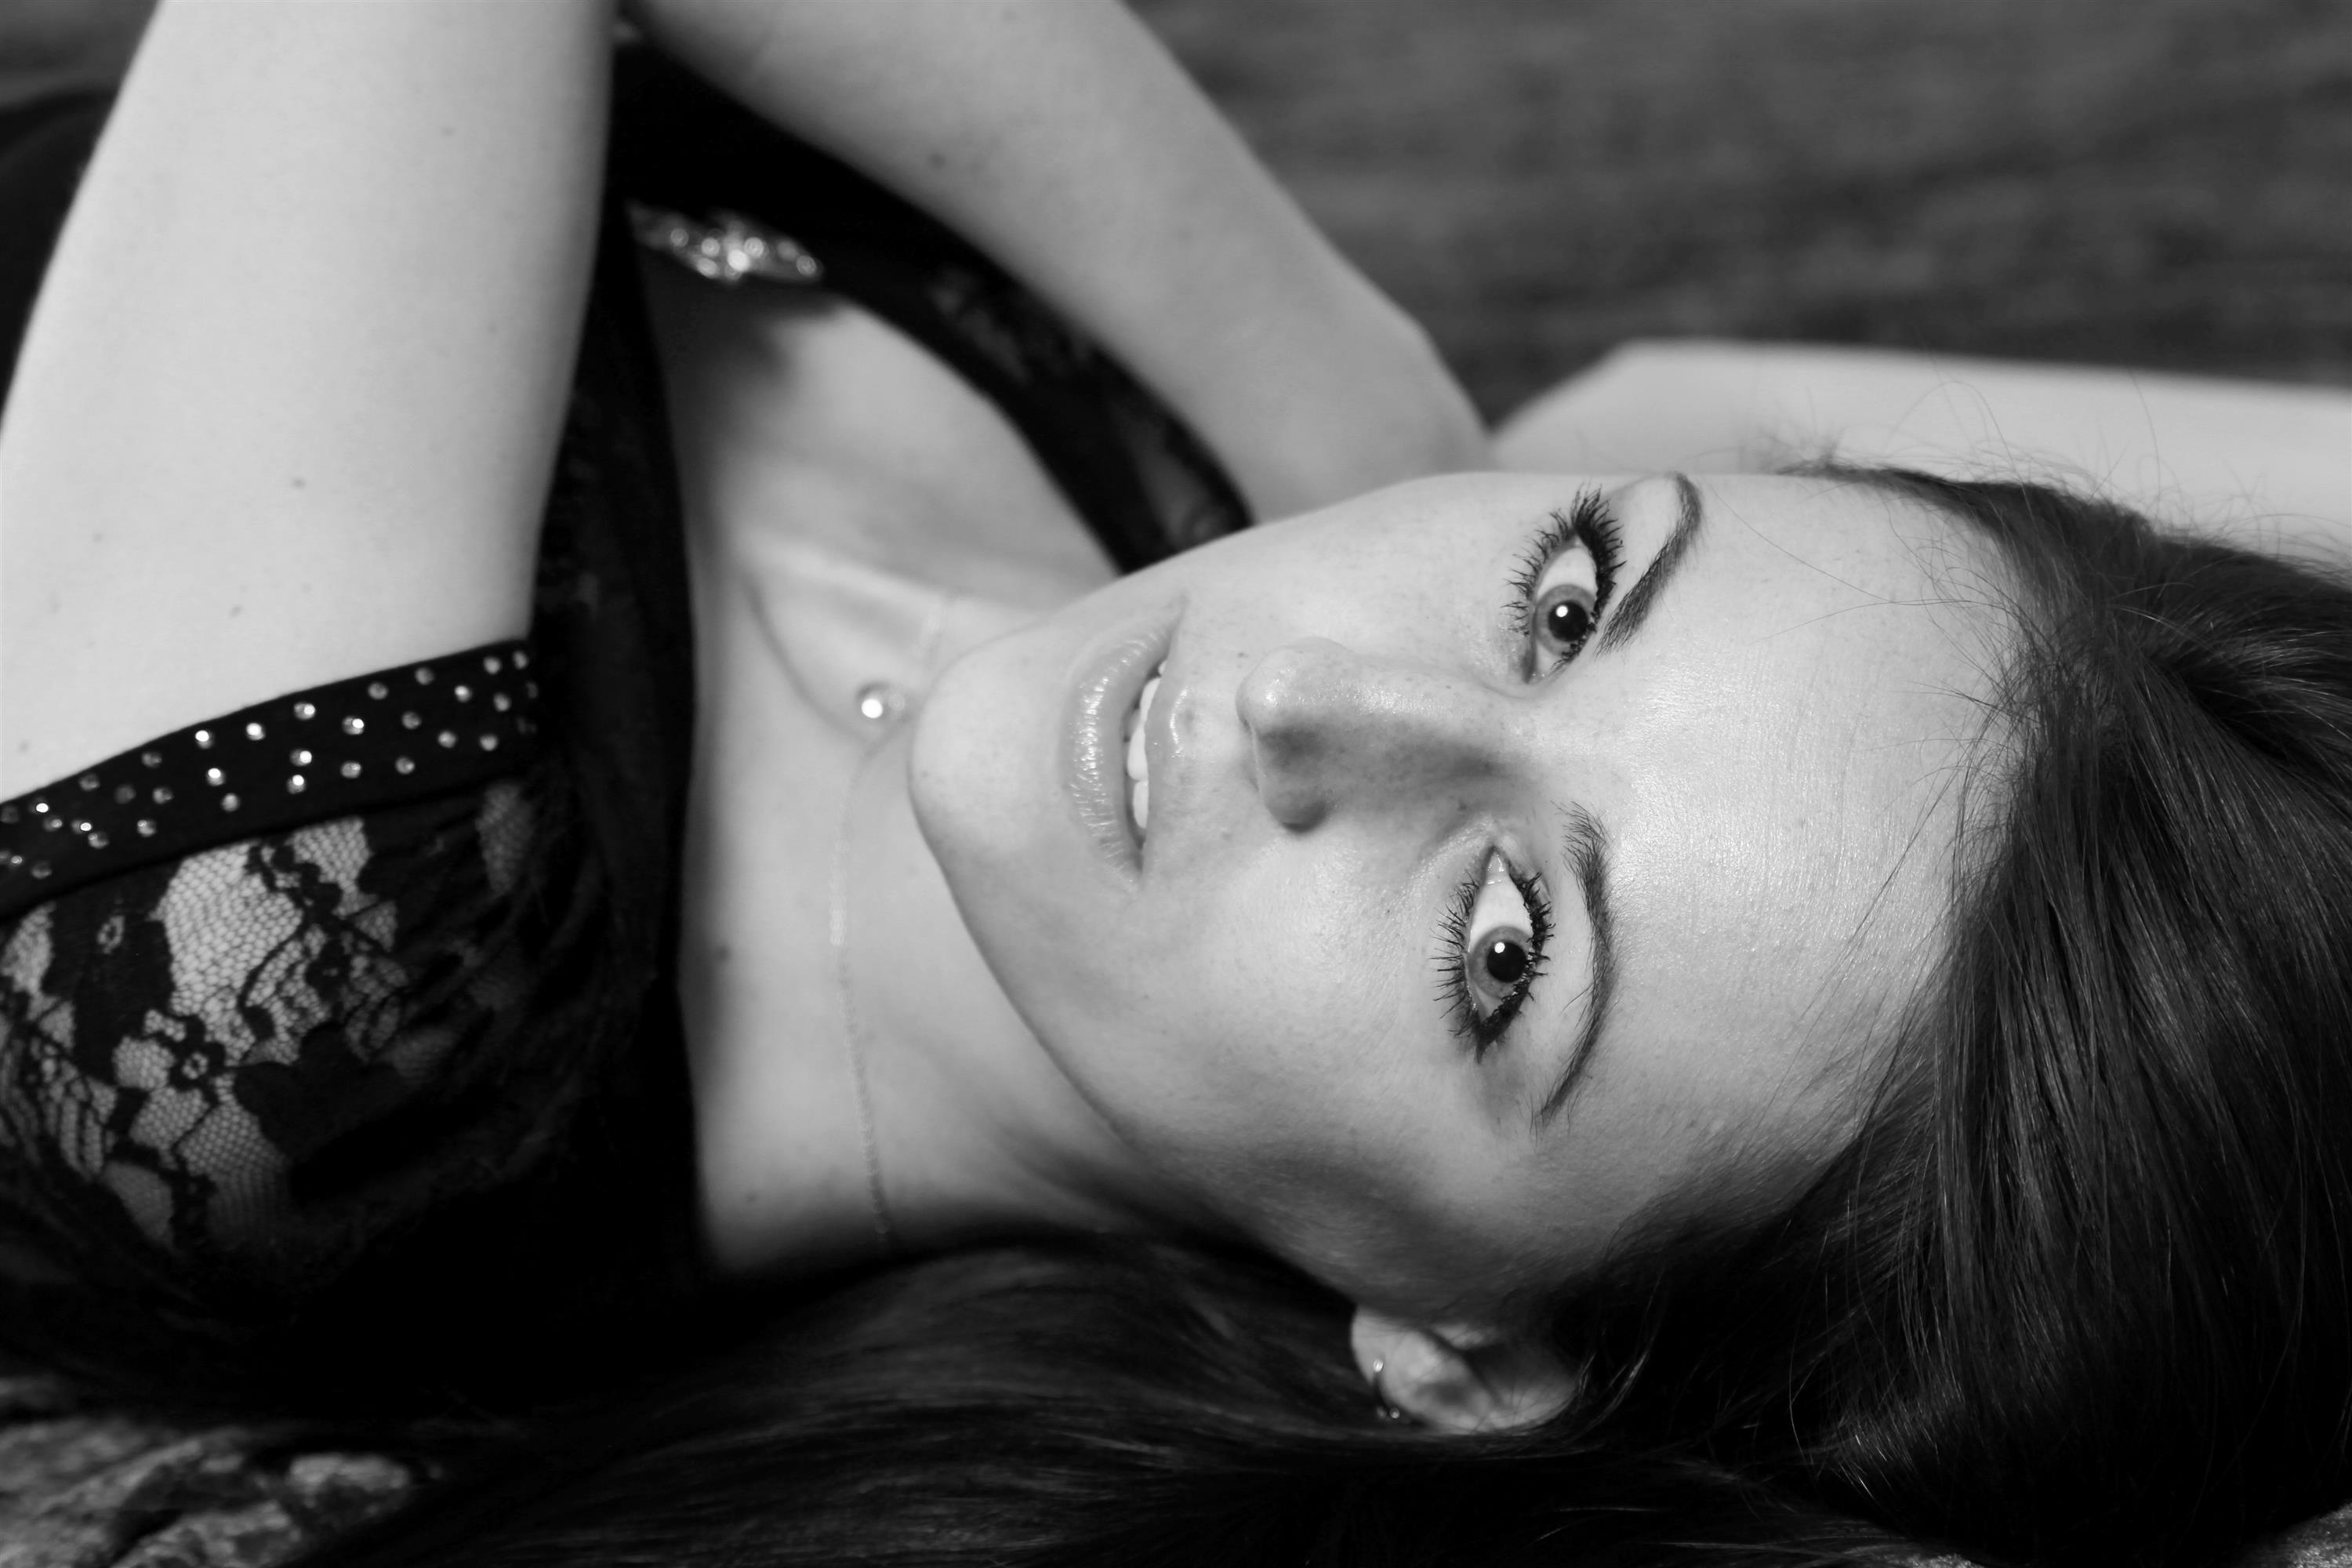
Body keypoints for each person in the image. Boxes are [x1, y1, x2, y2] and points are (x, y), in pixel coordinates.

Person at [1, 4, 2348, 1566]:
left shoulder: (311, 987)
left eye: (1502, 946)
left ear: (1476, 1359)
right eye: (1568, 598)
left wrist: (1318, 365)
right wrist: (1344, 389)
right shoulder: (1359, 525)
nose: (1310, 697)